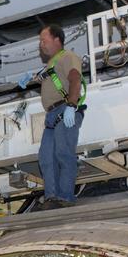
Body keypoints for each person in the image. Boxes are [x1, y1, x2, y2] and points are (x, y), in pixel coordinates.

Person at [31, 24, 86, 206]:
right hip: (52, 115)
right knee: (46, 157)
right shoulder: (50, 65)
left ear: (57, 40)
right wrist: (29, 79)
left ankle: (65, 197)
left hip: (65, 110)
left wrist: (71, 105)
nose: (41, 45)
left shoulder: (68, 57)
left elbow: (75, 79)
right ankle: (52, 197)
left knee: (63, 152)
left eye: (43, 40)